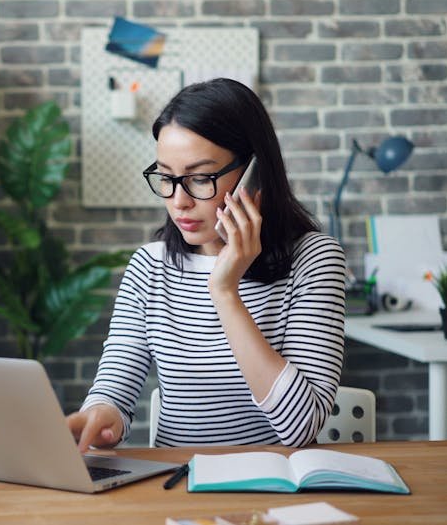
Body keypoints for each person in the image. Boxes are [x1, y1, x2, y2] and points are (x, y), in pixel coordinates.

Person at [66, 78, 346, 451]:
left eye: (200, 179)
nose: (178, 201)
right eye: (166, 178)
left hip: (274, 489)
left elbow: (300, 427)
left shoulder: (313, 259)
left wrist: (225, 291)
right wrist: (102, 415)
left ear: (254, 174)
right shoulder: (149, 268)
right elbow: (115, 388)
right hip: (176, 484)